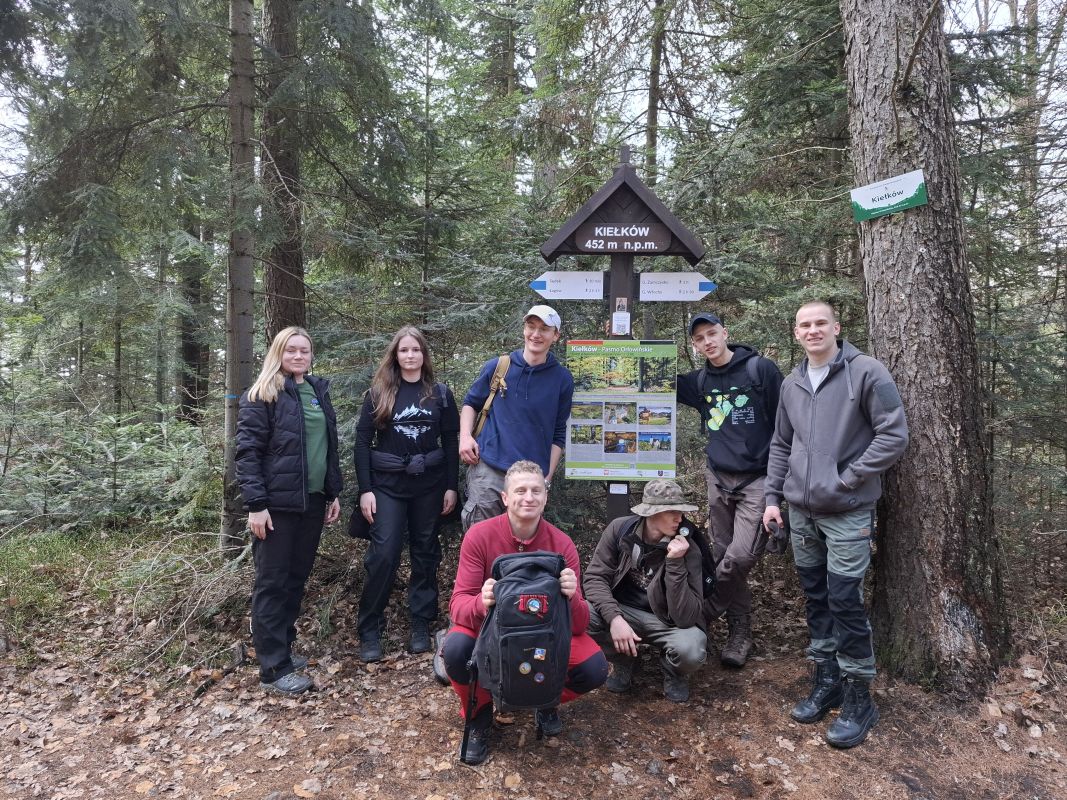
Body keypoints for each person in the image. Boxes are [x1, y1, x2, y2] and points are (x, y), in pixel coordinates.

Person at [763, 300, 908, 749]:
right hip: (801, 512)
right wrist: (772, 498)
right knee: (816, 597)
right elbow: (782, 444)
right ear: (795, 332)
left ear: (836, 327)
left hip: (847, 511)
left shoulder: (867, 372)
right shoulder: (792, 382)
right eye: (804, 325)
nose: (812, 331)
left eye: (820, 323)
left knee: (845, 599)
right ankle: (826, 679)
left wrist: (847, 478)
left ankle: (859, 694)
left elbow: (894, 434)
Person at [440, 460, 608, 765]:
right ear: (505, 497)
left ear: (545, 497)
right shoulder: (480, 536)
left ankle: (544, 699)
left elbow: (581, 624)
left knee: (594, 667)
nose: (528, 497)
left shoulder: (562, 544)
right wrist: (483, 600)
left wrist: (571, 598)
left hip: (544, 634)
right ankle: (479, 714)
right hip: (490, 630)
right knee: (455, 651)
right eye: (520, 490)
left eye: (535, 490)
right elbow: (458, 605)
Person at [236, 326, 342, 695]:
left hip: (310, 502)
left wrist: (332, 493)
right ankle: (272, 668)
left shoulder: (315, 391)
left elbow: (327, 447)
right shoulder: (262, 393)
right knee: (272, 583)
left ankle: (282, 648)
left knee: (295, 580)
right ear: (278, 353)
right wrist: (256, 505)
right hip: (275, 506)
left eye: (305, 351)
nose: (299, 356)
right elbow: (247, 453)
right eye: (291, 350)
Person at [676, 312, 783, 667]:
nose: (707, 342)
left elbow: (785, 425)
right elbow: (659, 380)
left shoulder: (760, 370)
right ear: (694, 345)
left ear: (725, 332)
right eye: (699, 338)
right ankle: (740, 632)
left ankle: (703, 614)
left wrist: (779, 487)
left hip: (758, 479)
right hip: (718, 478)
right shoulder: (700, 380)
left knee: (738, 557)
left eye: (712, 333)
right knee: (724, 558)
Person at [354, 326, 459, 662]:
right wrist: (366, 490)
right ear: (395, 355)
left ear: (424, 355)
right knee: (384, 554)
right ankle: (370, 626)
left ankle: (420, 622)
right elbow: (361, 443)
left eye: (416, 350)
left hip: (429, 486)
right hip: (387, 487)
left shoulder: (440, 394)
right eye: (404, 350)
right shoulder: (378, 393)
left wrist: (451, 486)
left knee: (426, 552)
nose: (410, 355)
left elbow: (452, 442)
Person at [584, 479, 707, 703]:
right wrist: (615, 619)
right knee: (580, 616)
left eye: (681, 511)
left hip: (666, 621)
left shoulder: (689, 549)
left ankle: (673, 671)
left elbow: (687, 617)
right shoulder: (620, 530)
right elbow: (595, 578)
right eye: (671, 511)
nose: (679, 518)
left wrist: (675, 563)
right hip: (624, 612)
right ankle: (624, 660)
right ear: (650, 513)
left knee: (692, 650)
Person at [459, 305, 573, 530]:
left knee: (522, 546)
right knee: (481, 540)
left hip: (531, 479)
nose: (536, 334)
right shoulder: (499, 367)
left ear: (556, 335)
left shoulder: (562, 379)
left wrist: (546, 478)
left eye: (544, 329)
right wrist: (465, 437)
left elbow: (558, 433)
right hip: (489, 470)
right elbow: (470, 404)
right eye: (531, 327)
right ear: (524, 330)